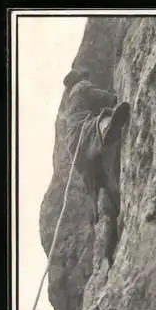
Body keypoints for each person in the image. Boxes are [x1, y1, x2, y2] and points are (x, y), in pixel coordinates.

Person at [63, 68, 130, 223]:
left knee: (100, 179)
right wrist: (114, 98)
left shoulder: (69, 103)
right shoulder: (81, 86)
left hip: (76, 149)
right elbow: (100, 97)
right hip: (83, 133)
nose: (89, 81)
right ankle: (108, 131)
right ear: (80, 79)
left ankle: (105, 212)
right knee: (104, 118)